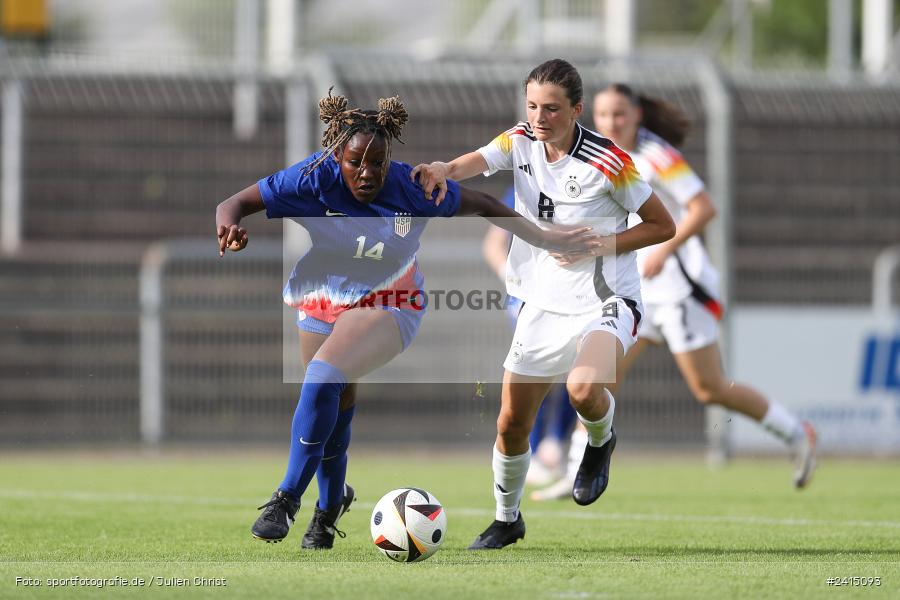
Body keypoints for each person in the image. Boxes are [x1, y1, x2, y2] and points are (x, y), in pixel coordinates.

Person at [215, 89, 600, 551]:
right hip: (323, 294)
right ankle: (329, 506)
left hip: (391, 298)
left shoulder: (414, 187)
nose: (367, 172)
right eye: (356, 161)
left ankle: (286, 499)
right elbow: (232, 205)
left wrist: (544, 236)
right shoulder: (311, 179)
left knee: (321, 378)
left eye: (377, 162)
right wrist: (230, 227)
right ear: (337, 155)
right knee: (331, 407)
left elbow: (485, 204)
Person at [413, 59, 676, 550]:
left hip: (607, 300)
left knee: (581, 387)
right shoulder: (520, 140)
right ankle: (507, 519)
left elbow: (663, 226)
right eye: (532, 105)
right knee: (511, 421)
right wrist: (443, 169)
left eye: (551, 108)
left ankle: (600, 441)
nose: (539, 116)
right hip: (542, 303)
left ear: (577, 110)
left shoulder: (609, 163)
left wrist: (599, 244)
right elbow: (479, 159)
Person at [531, 83, 818, 501]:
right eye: (605, 115)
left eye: (620, 115)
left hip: (680, 289)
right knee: (595, 378)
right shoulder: (597, 156)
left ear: (636, 116)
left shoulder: (656, 156)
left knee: (710, 389)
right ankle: (579, 468)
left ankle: (796, 431)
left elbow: (703, 207)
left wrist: (664, 249)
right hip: (635, 292)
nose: (612, 123)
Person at [482, 187, 577, 486]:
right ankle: (535, 451)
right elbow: (493, 243)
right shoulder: (523, 188)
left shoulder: (580, 182)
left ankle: (558, 444)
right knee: (535, 373)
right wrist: (510, 278)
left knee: (579, 374)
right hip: (528, 299)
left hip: (573, 293)